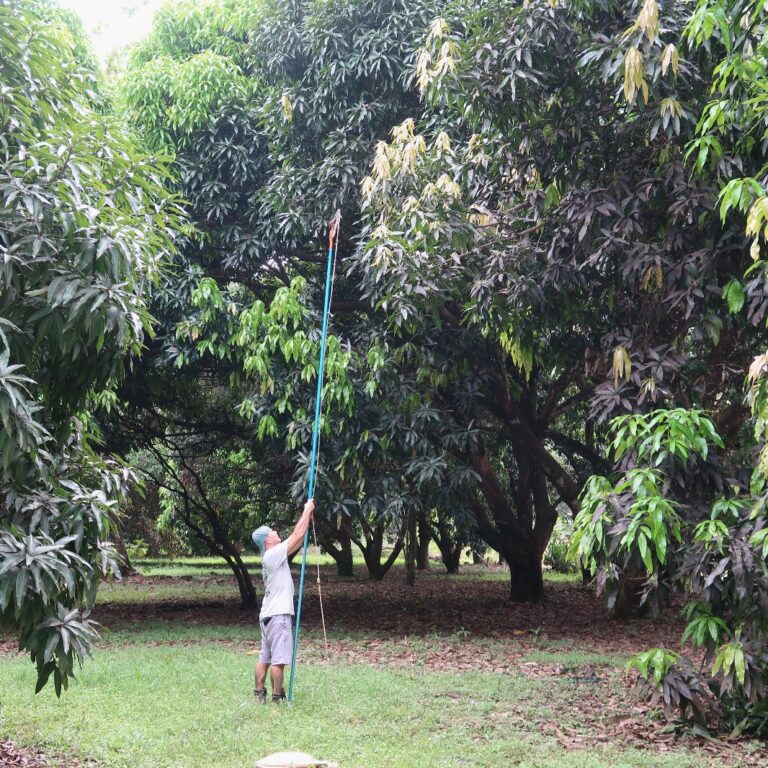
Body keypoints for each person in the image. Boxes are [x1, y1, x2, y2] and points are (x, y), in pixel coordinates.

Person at [251, 499, 314, 702]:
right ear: (267, 541)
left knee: (265, 657)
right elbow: (297, 535)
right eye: (272, 532)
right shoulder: (272, 554)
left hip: (267, 616)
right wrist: (307, 509)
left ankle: (259, 693)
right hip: (278, 617)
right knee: (278, 661)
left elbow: (297, 538)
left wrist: (306, 517)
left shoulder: (271, 557)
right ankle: (278, 697)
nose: (276, 533)